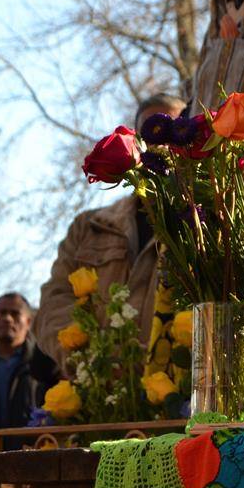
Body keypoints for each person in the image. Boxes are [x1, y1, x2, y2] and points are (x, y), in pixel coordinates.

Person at [34, 93, 187, 371]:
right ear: (136, 144)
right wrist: (88, 361)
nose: (162, 143)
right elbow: (54, 301)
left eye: (173, 131)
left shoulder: (202, 226)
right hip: (98, 399)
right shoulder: (89, 227)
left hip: (175, 398)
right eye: (152, 132)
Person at [0, 292, 56, 477]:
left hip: (32, 473)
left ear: (29, 322)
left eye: (15, 314)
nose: (7, 319)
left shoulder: (46, 366)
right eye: (2, 313)